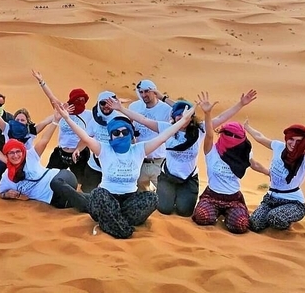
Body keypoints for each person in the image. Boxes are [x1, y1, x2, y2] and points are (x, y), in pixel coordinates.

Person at [55, 102, 196, 239]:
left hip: (129, 200)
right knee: (99, 195)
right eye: (116, 132)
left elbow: (163, 136)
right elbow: (85, 137)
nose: (121, 135)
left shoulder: (139, 149)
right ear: (111, 136)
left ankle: (109, 220)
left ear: (131, 134)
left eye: (125, 132)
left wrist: (183, 121)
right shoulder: (103, 149)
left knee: (152, 198)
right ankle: (123, 230)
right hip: (107, 197)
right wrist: (67, 118)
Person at [109, 89, 257, 217]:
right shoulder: (167, 128)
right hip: (168, 177)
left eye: (186, 115)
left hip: (189, 178)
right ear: (174, 117)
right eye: (179, 115)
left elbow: (221, 118)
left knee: (184, 211)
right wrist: (121, 109)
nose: (182, 118)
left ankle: (180, 196)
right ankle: (165, 194)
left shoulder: (199, 130)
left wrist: (241, 104)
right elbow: (142, 119)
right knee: (164, 209)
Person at [245, 101, 305, 232]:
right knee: (255, 224)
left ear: (304, 143)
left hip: (293, 202)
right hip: (271, 199)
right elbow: (260, 137)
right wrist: (247, 128)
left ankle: (287, 224)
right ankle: (272, 217)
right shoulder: (278, 147)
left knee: (275, 219)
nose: (293, 143)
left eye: (298, 141)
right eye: (291, 139)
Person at [192, 92, 270, 234]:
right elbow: (209, 134)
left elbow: (254, 164)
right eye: (228, 134)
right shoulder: (212, 150)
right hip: (212, 195)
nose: (232, 138)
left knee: (241, 225)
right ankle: (214, 214)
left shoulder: (243, 153)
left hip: (233, 198)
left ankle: (228, 216)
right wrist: (208, 114)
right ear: (222, 133)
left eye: (236, 136)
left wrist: (269, 173)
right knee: (202, 217)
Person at [0, 109, 89, 210]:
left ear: (23, 151)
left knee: (56, 184)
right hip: (52, 198)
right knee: (63, 203)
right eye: (11, 153)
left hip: (61, 178)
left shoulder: (30, 155)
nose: (15, 155)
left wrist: (55, 121)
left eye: (18, 151)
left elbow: (44, 140)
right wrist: (6, 195)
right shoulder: (6, 177)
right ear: (7, 155)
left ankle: (88, 208)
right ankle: (95, 200)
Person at [31, 70, 93, 183]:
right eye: (78, 99)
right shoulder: (62, 110)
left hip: (79, 154)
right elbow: (51, 97)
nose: (81, 101)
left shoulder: (88, 114)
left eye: (83, 100)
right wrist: (41, 81)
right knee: (48, 179)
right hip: (61, 153)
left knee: (83, 184)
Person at [0, 86, 54, 150]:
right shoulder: (8, 128)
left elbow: (45, 122)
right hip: (10, 162)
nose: (19, 122)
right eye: (17, 119)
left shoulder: (30, 131)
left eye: (22, 120)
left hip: (26, 163)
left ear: (27, 122)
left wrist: (60, 114)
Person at [72, 90, 122, 193]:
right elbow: (86, 138)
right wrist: (78, 149)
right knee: (87, 192)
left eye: (109, 103)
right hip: (95, 164)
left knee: (114, 194)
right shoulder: (95, 120)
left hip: (114, 166)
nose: (106, 106)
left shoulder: (120, 120)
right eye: (102, 103)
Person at [128, 79, 173, 192]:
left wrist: (163, 97)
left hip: (159, 161)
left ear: (154, 91)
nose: (144, 95)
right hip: (139, 160)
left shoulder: (166, 109)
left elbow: (185, 112)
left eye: (147, 91)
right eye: (141, 92)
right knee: (138, 196)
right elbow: (128, 125)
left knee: (163, 201)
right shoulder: (134, 107)